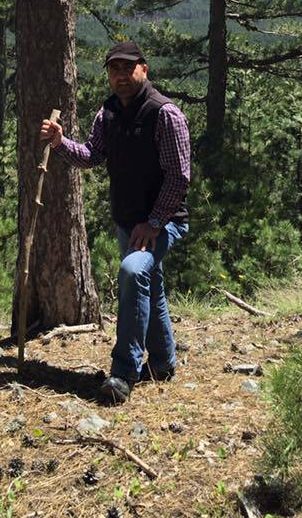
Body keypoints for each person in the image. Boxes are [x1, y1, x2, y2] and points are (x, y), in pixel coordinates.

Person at [40, 40, 190, 403]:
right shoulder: (108, 113)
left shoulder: (164, 114)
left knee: (134, 272)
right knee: (149, 287)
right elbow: (93, 156)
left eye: (128, 67)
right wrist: (61, 144)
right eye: (114, 69)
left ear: (144, 68)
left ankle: (123, 372)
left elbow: (179, 177)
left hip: (163, 221)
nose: (121, 75)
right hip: (129, 222)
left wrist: (154, 222)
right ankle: (165, 362)